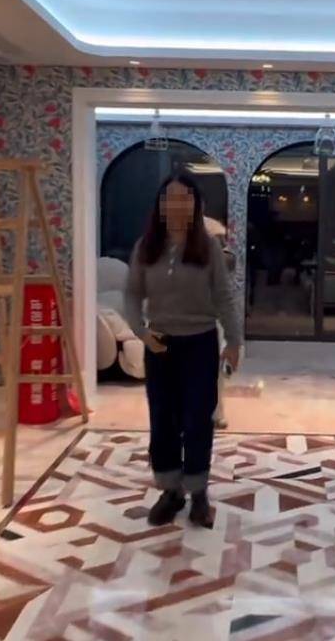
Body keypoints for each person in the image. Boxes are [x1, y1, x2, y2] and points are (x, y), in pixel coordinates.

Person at [126, 175, 242, 528]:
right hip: (159, 345)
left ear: (195, 205)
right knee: (163, 420)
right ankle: (170, 491)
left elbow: (224, 297)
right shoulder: (146, 247)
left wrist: (234, 342)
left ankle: (198, 493)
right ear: (160, 205)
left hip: (200, 344)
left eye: (185, 198)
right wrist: (141, 333)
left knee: (197, 420)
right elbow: (132, 294)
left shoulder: (208, 248)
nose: (177, 205)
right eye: (170, 198)